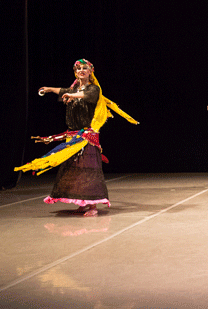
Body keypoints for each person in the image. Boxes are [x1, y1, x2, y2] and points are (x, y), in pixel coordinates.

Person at [16, 59, 138, 217]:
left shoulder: (94, 89)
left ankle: (93, 206)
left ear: (90, 71)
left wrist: (72, 95)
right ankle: (81, 203)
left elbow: (87, 95)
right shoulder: (74, 88)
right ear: (75, 72)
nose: (81, 70)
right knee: (74, 171)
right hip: (72, 136)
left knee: (89, 170)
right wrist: (48, 89)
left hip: (87, 136)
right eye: (78, 68)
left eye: (85, 68)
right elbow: (63, 90)